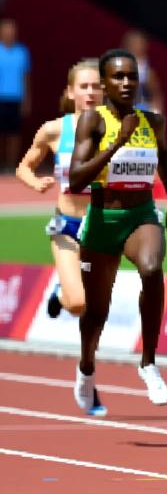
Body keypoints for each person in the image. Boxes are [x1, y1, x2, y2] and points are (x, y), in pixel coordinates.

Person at [68, 49, 167, 416]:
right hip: (104, 220)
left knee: (151, 267)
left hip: (141, 215)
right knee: (96, 313)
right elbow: (76, 179)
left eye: (132, 76)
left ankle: (148, 362)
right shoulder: (93, 121)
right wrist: (118, 142)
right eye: (118, 77)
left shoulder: (153, 122)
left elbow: (164, 157)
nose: (127, 82)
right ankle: (86, 367)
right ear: (104, 83)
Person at [15, 59, 103, 320]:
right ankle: (60, 294)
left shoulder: (116, 130)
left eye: (96, 86)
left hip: (102, 227)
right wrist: (35, 183)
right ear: (71, 92)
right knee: (77, 303)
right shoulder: (54, 130)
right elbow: (24, 167)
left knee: (95, 306)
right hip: (67, 225)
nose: (90, 92)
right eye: (84, 86)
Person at [0, 18, 32, 170]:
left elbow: (26, 77)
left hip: (16, 98)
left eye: (12, 31)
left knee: (14, 133)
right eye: (6, 30)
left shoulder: (22, 52)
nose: (9, 33)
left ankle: (10, 165)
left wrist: (27, 100)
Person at [123, 30, 164, 115]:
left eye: (138, 43)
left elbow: (156, 96)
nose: (135, 46)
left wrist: (156, 113)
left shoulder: (148, 73)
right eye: (133, 43)